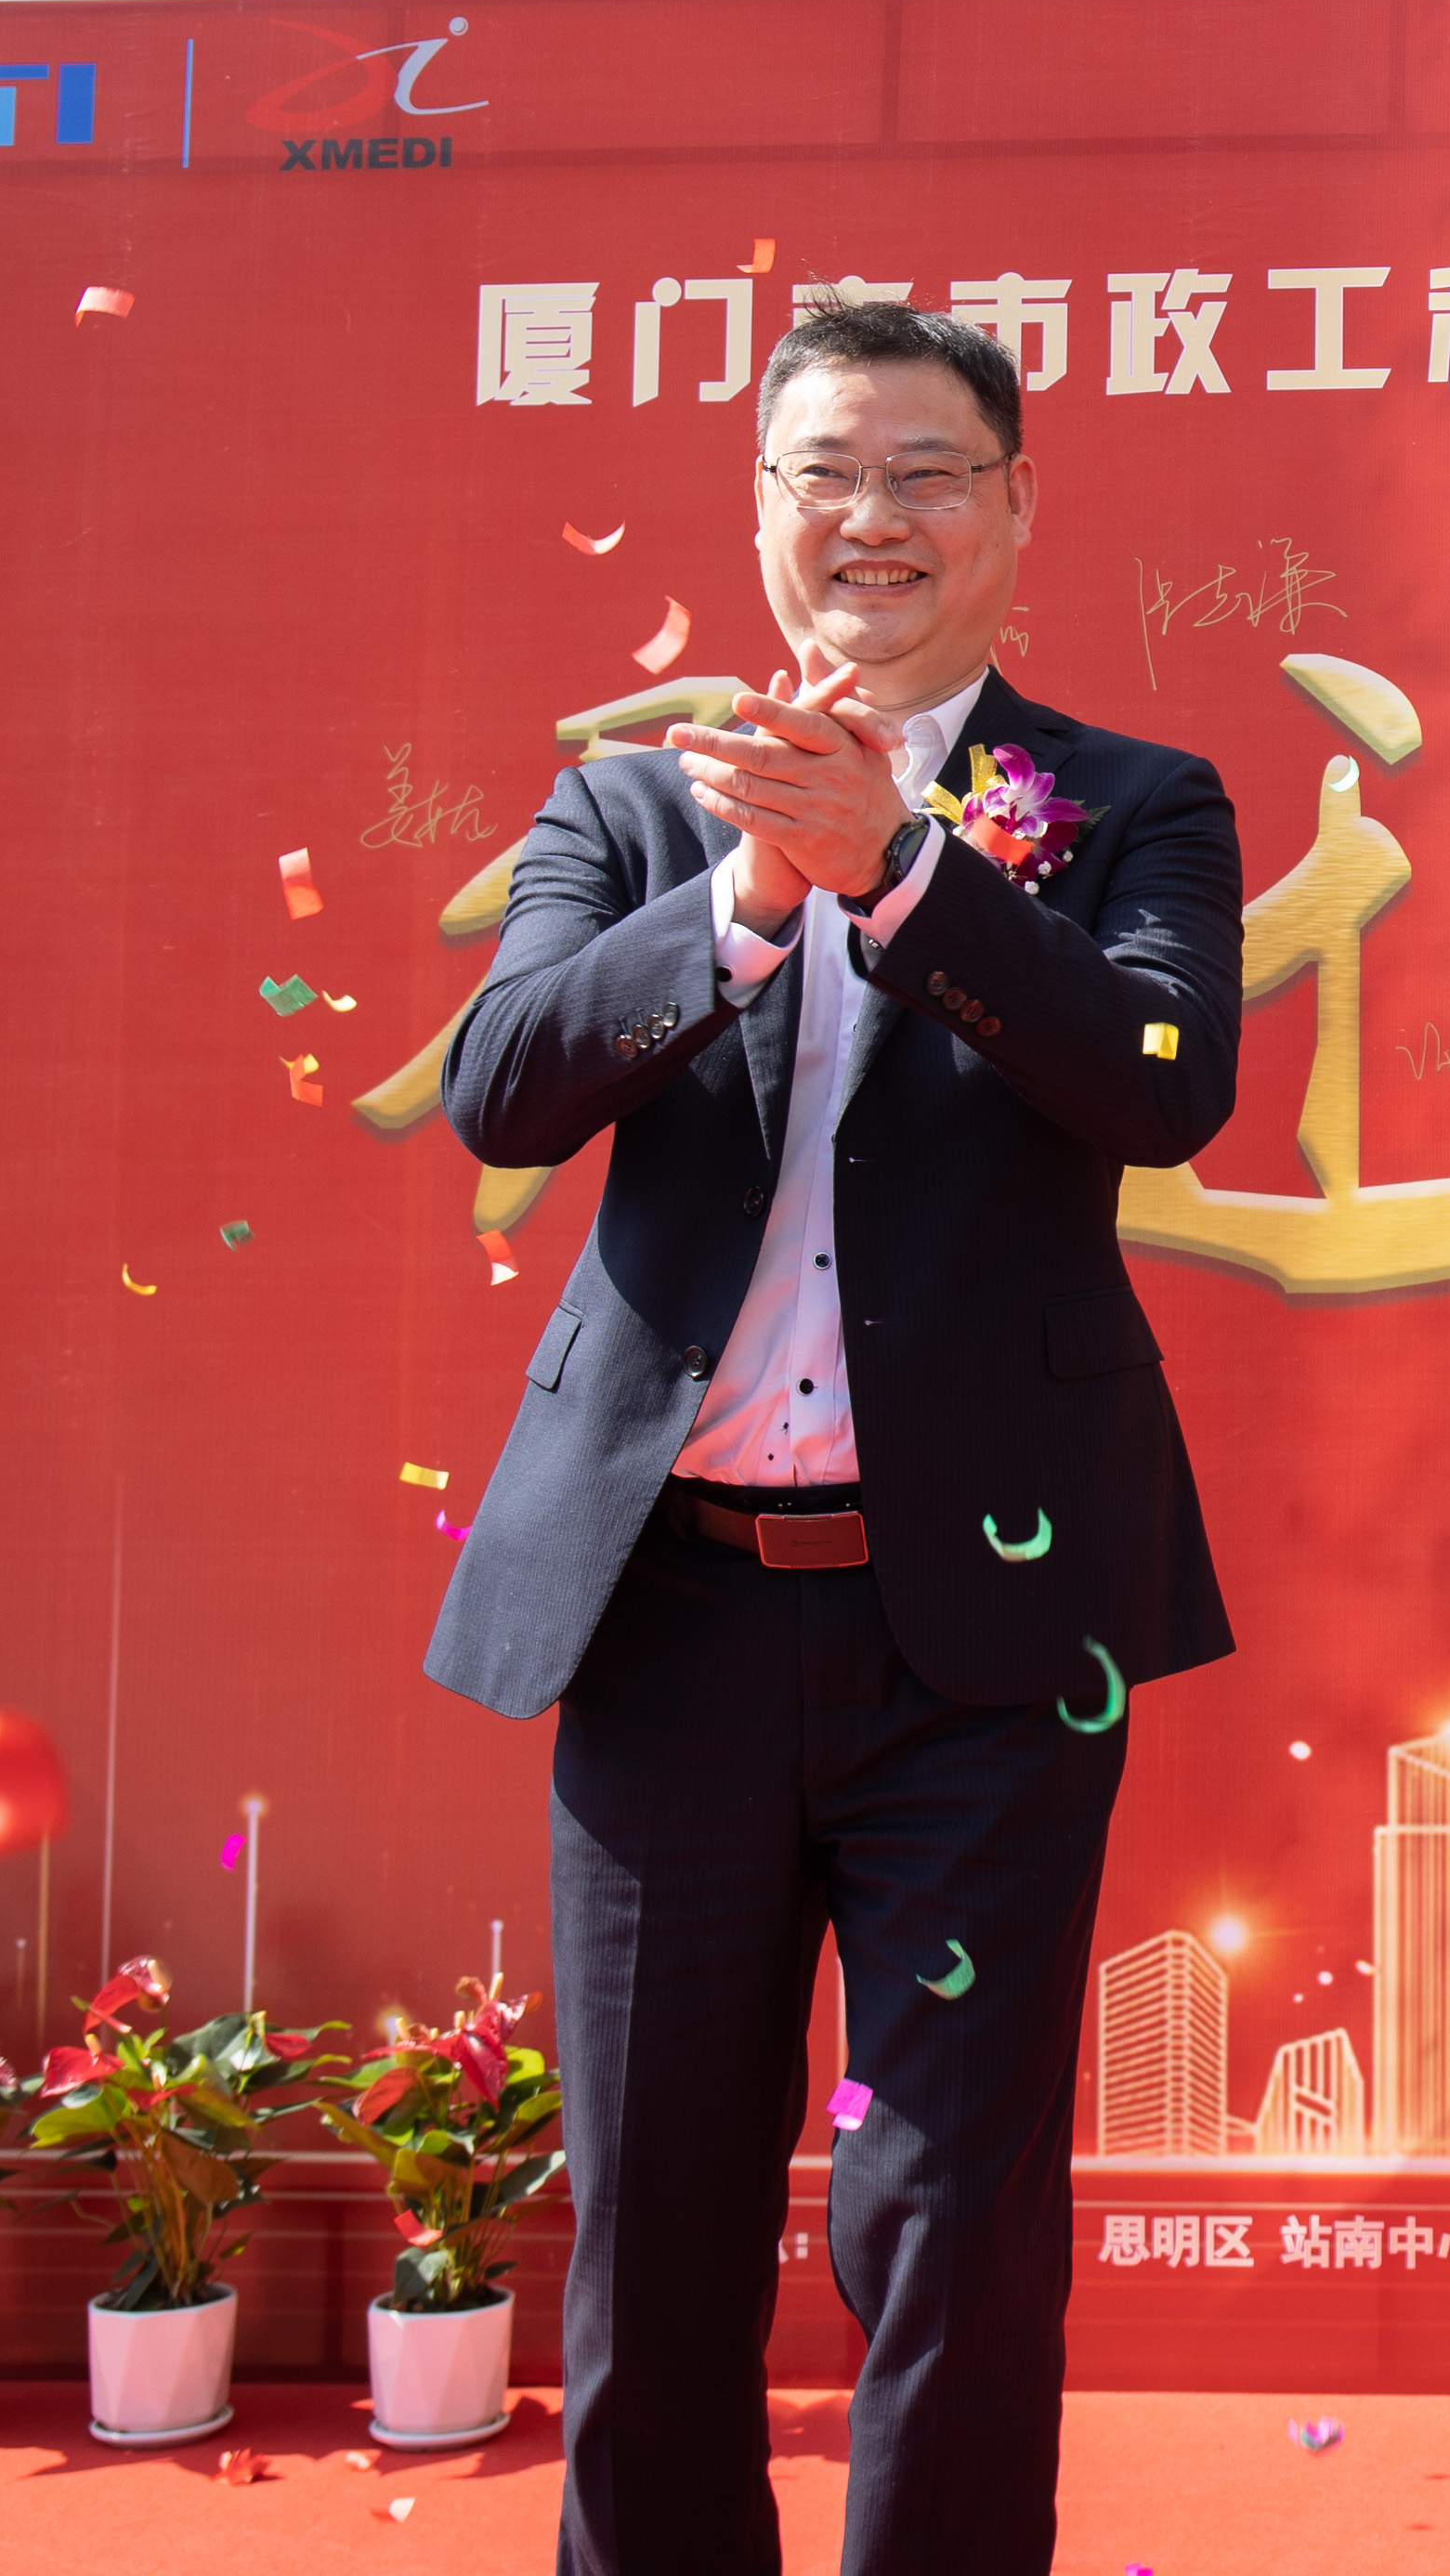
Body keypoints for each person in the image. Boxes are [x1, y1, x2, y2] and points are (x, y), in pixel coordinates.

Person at [425, 298, 1243, 2576]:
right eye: (827, 472)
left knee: (948, 2212)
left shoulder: (1136, 805)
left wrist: (901, 870)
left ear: (1014, 505)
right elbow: (504, 1089)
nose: (873, 518)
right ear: (763, 506)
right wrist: (751, 899)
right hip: (668, 1617)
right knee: (656, 2213)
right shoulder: (629, 802)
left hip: (981, 1641)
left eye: (926, 472)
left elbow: (1163, 1082)